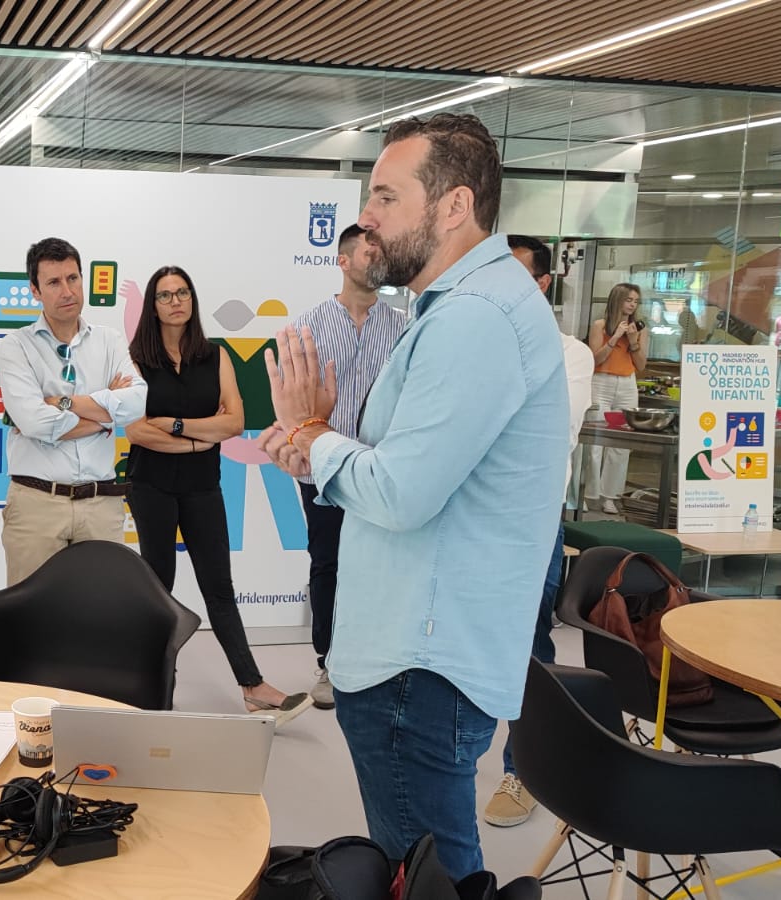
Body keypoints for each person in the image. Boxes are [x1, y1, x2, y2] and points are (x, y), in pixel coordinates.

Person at [262, 113, 568, 878]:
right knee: (429, 869)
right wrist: (318, 445)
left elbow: (401, 492)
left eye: (386, 197)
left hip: (419, 667)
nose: (366, 217)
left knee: (429, 876)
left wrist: (313, 433)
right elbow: (413, 469)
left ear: (454, 206)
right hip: (422, 655)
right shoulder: (464, 306)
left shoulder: (475, 318)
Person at [125, 266, 309, 723]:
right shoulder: (135, 360)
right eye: (165, 295)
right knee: (158, 588)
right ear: (152, 306)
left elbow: (233, 422)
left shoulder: (215, 356)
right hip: (150, 485)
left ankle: (253, 686)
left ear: (192, 299)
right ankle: (154, 682)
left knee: (219, 588)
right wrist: (197, 439)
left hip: (202, 486)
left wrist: (177, 426)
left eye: (182, 292)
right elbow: (136, 430)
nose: (176, 301)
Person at [484, 234, 595, 828]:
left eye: (516, 274)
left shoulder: (570, 353)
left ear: (544, 283)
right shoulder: (474, 342)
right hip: (469, 518)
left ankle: (523, 769)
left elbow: (550, 432)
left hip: (531, 523)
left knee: (528, 645)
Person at [290, 224, 407, 710]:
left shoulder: (404, 327)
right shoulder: (309, 326)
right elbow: (295, 401)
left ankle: (377, 662)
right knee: (329, 563)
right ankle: (329, 662)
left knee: (383, 567)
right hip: (324, 468)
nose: (378, 257)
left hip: (383, 470)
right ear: (343, 261)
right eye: (368, 250)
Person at [0, 237, 147, 586]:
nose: (67, 291)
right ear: (35, 291)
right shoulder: (17, 345)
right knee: (32, 612)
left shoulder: (109, 341)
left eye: (73, 278)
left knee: (101, 609)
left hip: (100, 506)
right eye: (53, 282)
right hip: (37, 505)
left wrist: (62, 403)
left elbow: (137, 403)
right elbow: (35, 422)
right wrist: (105, 416)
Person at [585, 283, 647, 515]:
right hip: (601, 381)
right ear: (617, 300)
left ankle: (610, 495)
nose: (632, 305)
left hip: (627, 384)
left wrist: (633, 341)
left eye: (636, 301)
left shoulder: (639, 329)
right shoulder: (600, 326)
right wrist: (615, 337)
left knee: (621, 443)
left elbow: (641, 365)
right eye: (628, 300)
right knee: (595, 441)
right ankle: (589, 492)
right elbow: (595, 360)